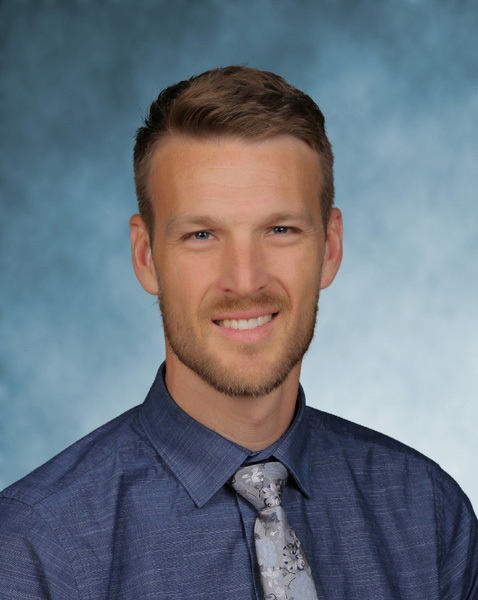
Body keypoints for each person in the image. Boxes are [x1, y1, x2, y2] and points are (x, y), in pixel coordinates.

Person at [0, 66, 476, 600]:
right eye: (202, 234)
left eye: (280, 230)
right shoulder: (34, 548)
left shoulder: (428, 513)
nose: (245, 281)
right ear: (147, 256)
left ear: (330, 247)